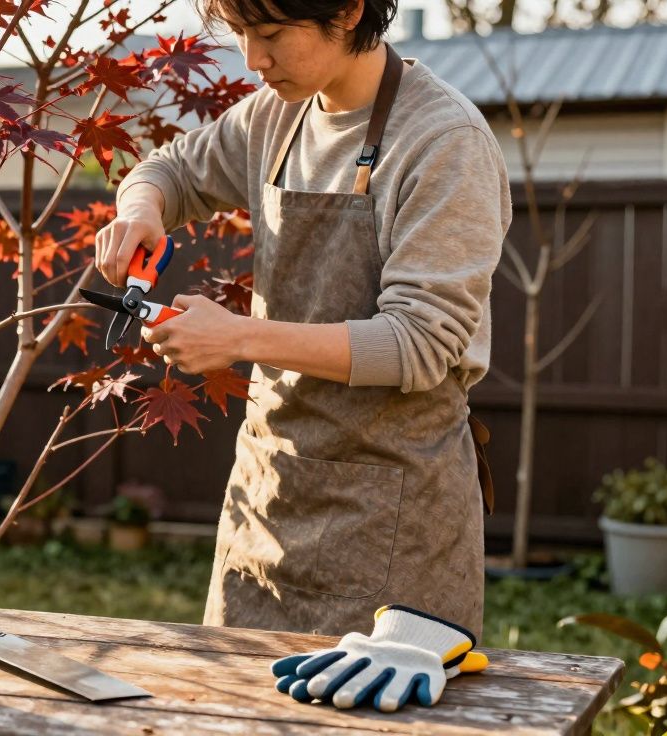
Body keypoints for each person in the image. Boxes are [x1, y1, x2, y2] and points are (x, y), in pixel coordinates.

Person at [94, 0, 510, 639]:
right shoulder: (274, 115)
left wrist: (238, 337)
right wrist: (142, 206)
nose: (254, 60)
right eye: (240, 36)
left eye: (270, 35)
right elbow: (169, 168)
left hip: (394, 514)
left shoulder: (443, 140)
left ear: (347, 11)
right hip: (268, 495)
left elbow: (421, 342)